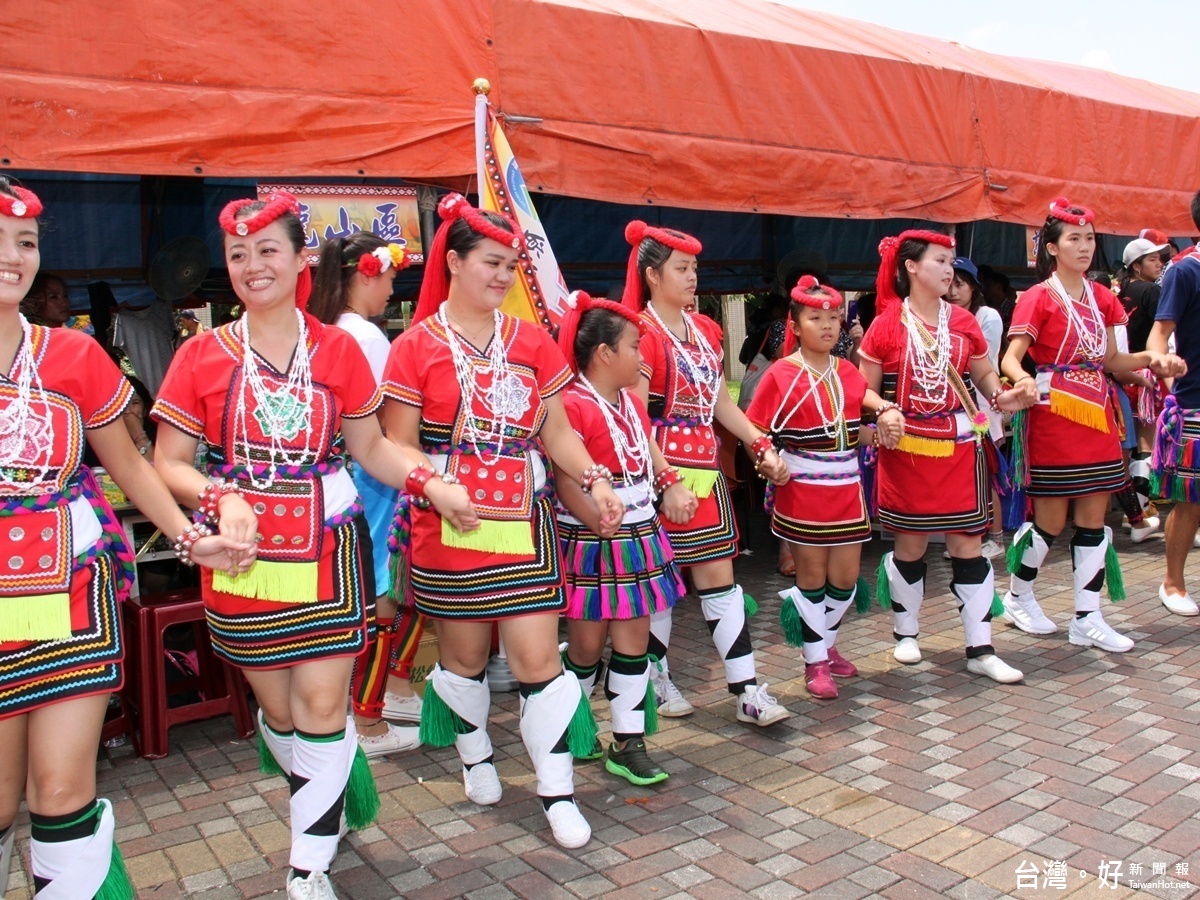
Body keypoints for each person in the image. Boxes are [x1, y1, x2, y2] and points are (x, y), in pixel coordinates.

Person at [153, 191, 431, 899]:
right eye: (239, 255)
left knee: (321, 708)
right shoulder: (200, 355)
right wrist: (223, 497)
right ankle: (330, 791)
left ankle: (308, 868)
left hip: (328, 553)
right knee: (280, 715)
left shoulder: (339, 348)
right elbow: (169, 464)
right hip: (246, 566)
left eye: (268, 250)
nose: (253, 266)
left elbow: (370, 447)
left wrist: (432, 480)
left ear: (301, 257)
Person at [0, 180, 247, 898]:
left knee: (59, 789)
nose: (13, 257)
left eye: (25, 243)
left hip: (67, 590)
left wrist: (187, 536)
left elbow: (132, 464)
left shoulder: (73, 355)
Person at [382, 194, 625, 850]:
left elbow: (558, 430)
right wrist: (433, 484)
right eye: (491, 262)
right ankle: (474, 754)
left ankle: (557, 791)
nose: (501, 276)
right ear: (454, 261)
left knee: (539, 659)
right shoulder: (413, 348)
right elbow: (396, 443)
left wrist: (595, 477)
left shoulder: (532, 342)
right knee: (462, 661)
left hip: (523, 526)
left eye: (511, 265)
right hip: (450, 529)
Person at [623, 220, 792, 725]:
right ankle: (656, 677)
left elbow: (720, 402)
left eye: (695, 267)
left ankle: (745, 690)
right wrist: (666, 479)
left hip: (705, 470)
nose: (693, 277)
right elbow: (633, 415)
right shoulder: (641, 334)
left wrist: (759, 442)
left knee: (721, 583)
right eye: (682, 268)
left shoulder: (707, 330)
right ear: (653, 275)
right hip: (660, 472)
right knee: (660, 586)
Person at [999, 198, 1184, 653]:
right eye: (1074, 239)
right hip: (1053, 414)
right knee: (1049, 523)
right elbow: (1011, 358)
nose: (1084, 247)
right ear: (1052, 247)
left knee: (1094, 522)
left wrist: (1153, 360)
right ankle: (1018, 596)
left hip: (1098, 413)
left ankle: (1088, 616)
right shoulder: (1038, 297)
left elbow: (1112, 360)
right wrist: (1022, 383)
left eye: (1089, 239)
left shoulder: (1102, 297)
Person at [858, 229, 1034, 683]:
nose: (948, 269)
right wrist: (883, 411)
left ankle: (981, 648)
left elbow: (986, 379)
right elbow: (863, 391)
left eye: (951, 261)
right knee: (911, 544)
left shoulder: (964, 322)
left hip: (960, 446)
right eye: (939, 260)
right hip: (909, 449)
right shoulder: (885, 325)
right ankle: (906, 632)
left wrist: (1006, 397)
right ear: (911, 267)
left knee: (968, 545)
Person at [555, 291, 693, 785]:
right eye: (635, 347)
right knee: (588, 646)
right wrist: (594, 520)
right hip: (595, 540)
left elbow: (650, 449)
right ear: (604, 354)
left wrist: (669, 482)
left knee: (633, 641)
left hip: (638, 534)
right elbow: (566, 478)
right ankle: (571, 725)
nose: (642, 356)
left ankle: (629, 743)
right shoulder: (572, 404)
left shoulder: (630, 403)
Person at [308, 232, 423, 759]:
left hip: (350, 476)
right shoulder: (368, 338)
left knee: (390, 587)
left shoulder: (329, 330)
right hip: (376, 477)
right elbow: (381, 425)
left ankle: (393, 692)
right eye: (392, 276)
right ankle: (370, 716)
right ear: (366, 273)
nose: (393, 288)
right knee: (386, 592)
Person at [745, 276, 885, 699]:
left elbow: (856, 416)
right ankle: (815, 661)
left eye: (833, 318)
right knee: (812, 577)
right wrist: (767, 458)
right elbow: (753, 427)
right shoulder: (780, 373)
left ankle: (825, 643)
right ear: (795, 323)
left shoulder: (846, 370)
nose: (827, 325)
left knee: (844, 580)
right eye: (815, 317)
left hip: (846, 487)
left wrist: (886, 415)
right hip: (802, 487)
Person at [1148, 189, 1200, 617]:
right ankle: (1173, 582)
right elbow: (1159, 333)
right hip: (1196, 398)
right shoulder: (1186, 271)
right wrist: (1162, 360)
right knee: (1191, 497)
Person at [945, 257, 1006, 558]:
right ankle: (969, 534)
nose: (954, 291)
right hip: (952, 406)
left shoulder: (987, 316)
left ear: (973, 287)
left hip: (980, 401)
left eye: (961, 284)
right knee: (963, 472)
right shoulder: (943, 316)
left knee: (985, 469)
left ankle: (995, 536)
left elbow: (984, 362)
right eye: (950, 284)